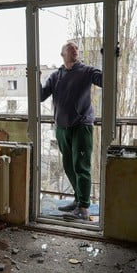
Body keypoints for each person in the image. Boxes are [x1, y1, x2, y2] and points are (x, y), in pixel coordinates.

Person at [38, 41, 103, 220]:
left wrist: (109, 60)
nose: (75, 49)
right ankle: (78, 199)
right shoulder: (56, 76)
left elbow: (104, 81)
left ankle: (84, 208)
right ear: (62, 54)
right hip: (61, 127)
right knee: (69, 166)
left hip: (81, 126)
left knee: (81, 167)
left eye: (76, 48)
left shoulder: (87, 71)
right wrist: (35, 79)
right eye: (70, 47)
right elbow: (41, 96)